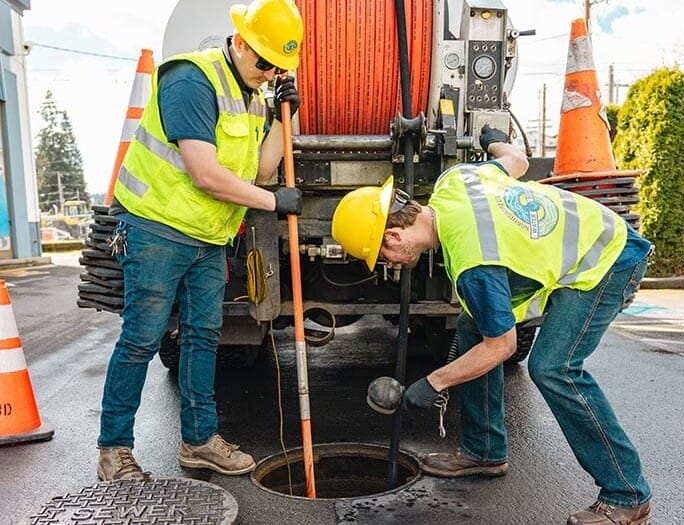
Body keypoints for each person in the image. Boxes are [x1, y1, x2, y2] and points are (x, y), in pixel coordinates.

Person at [331, 124, 653, 525]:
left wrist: (433, 383)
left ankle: (627, 493)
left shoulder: (473, 262)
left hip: (608, 260)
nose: (389, 266)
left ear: (394, 235)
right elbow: (515, 161)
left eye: (383, 258)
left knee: (554, 368)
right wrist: (494, 140)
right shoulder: (455, 181)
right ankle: (484, 451)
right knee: (471, 326)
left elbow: (501, 345)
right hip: (587, 242)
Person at [97, 0, 304, 481]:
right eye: (264, 61)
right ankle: (114, 450)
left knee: (204, 337)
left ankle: (199, 441)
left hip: (207, 237)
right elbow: (206, 174)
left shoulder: (253, 95)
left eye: (278, 66)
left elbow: (262, 170)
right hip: (156, 229)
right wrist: (275, 204)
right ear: (240, 41)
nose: (270, 71)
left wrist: (283, 115)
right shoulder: (191, 80)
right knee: (142, 339)